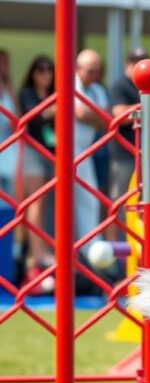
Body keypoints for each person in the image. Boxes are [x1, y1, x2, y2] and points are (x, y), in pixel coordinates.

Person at [18, 56, 56, 294]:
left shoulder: (52, 94)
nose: (45, 74)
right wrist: (52, 109)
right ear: (33, 73)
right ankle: (37, 255)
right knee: (35, 203)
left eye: (49, 70)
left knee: (46, 206)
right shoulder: (27, 94)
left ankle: (42, 252)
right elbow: (32, 120)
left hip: (51, 154)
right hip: (32, 150)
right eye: (40, 70)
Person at [108, 48, 148, 231]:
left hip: (145, 154)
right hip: (123, 153)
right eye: (134, 62)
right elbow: (119, 113)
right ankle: (115, 248)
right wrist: (146, 108)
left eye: (142, 62)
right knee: (119, 199)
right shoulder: (120, 85)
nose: (138, 66)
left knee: (144, 202)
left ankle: (139, 243)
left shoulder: (149, 85)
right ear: (127, 64)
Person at [72, 49, 109, 248]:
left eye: (98, 71)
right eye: (90, 71)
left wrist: (93, 116)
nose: (94, 76)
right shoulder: (70, 83)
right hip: (64, 152)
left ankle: (88, 252)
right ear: (78, 69)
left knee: (90, 201)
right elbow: (80, 113)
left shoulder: (97, 90)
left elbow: (106, 122)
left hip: (85, 152)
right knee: (63, 206)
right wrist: (98, 117)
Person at [0, 49, 16, 202]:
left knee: (9, 198)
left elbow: (17, 123)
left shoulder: (9, 91)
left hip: (8, 149)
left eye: (5, 63)